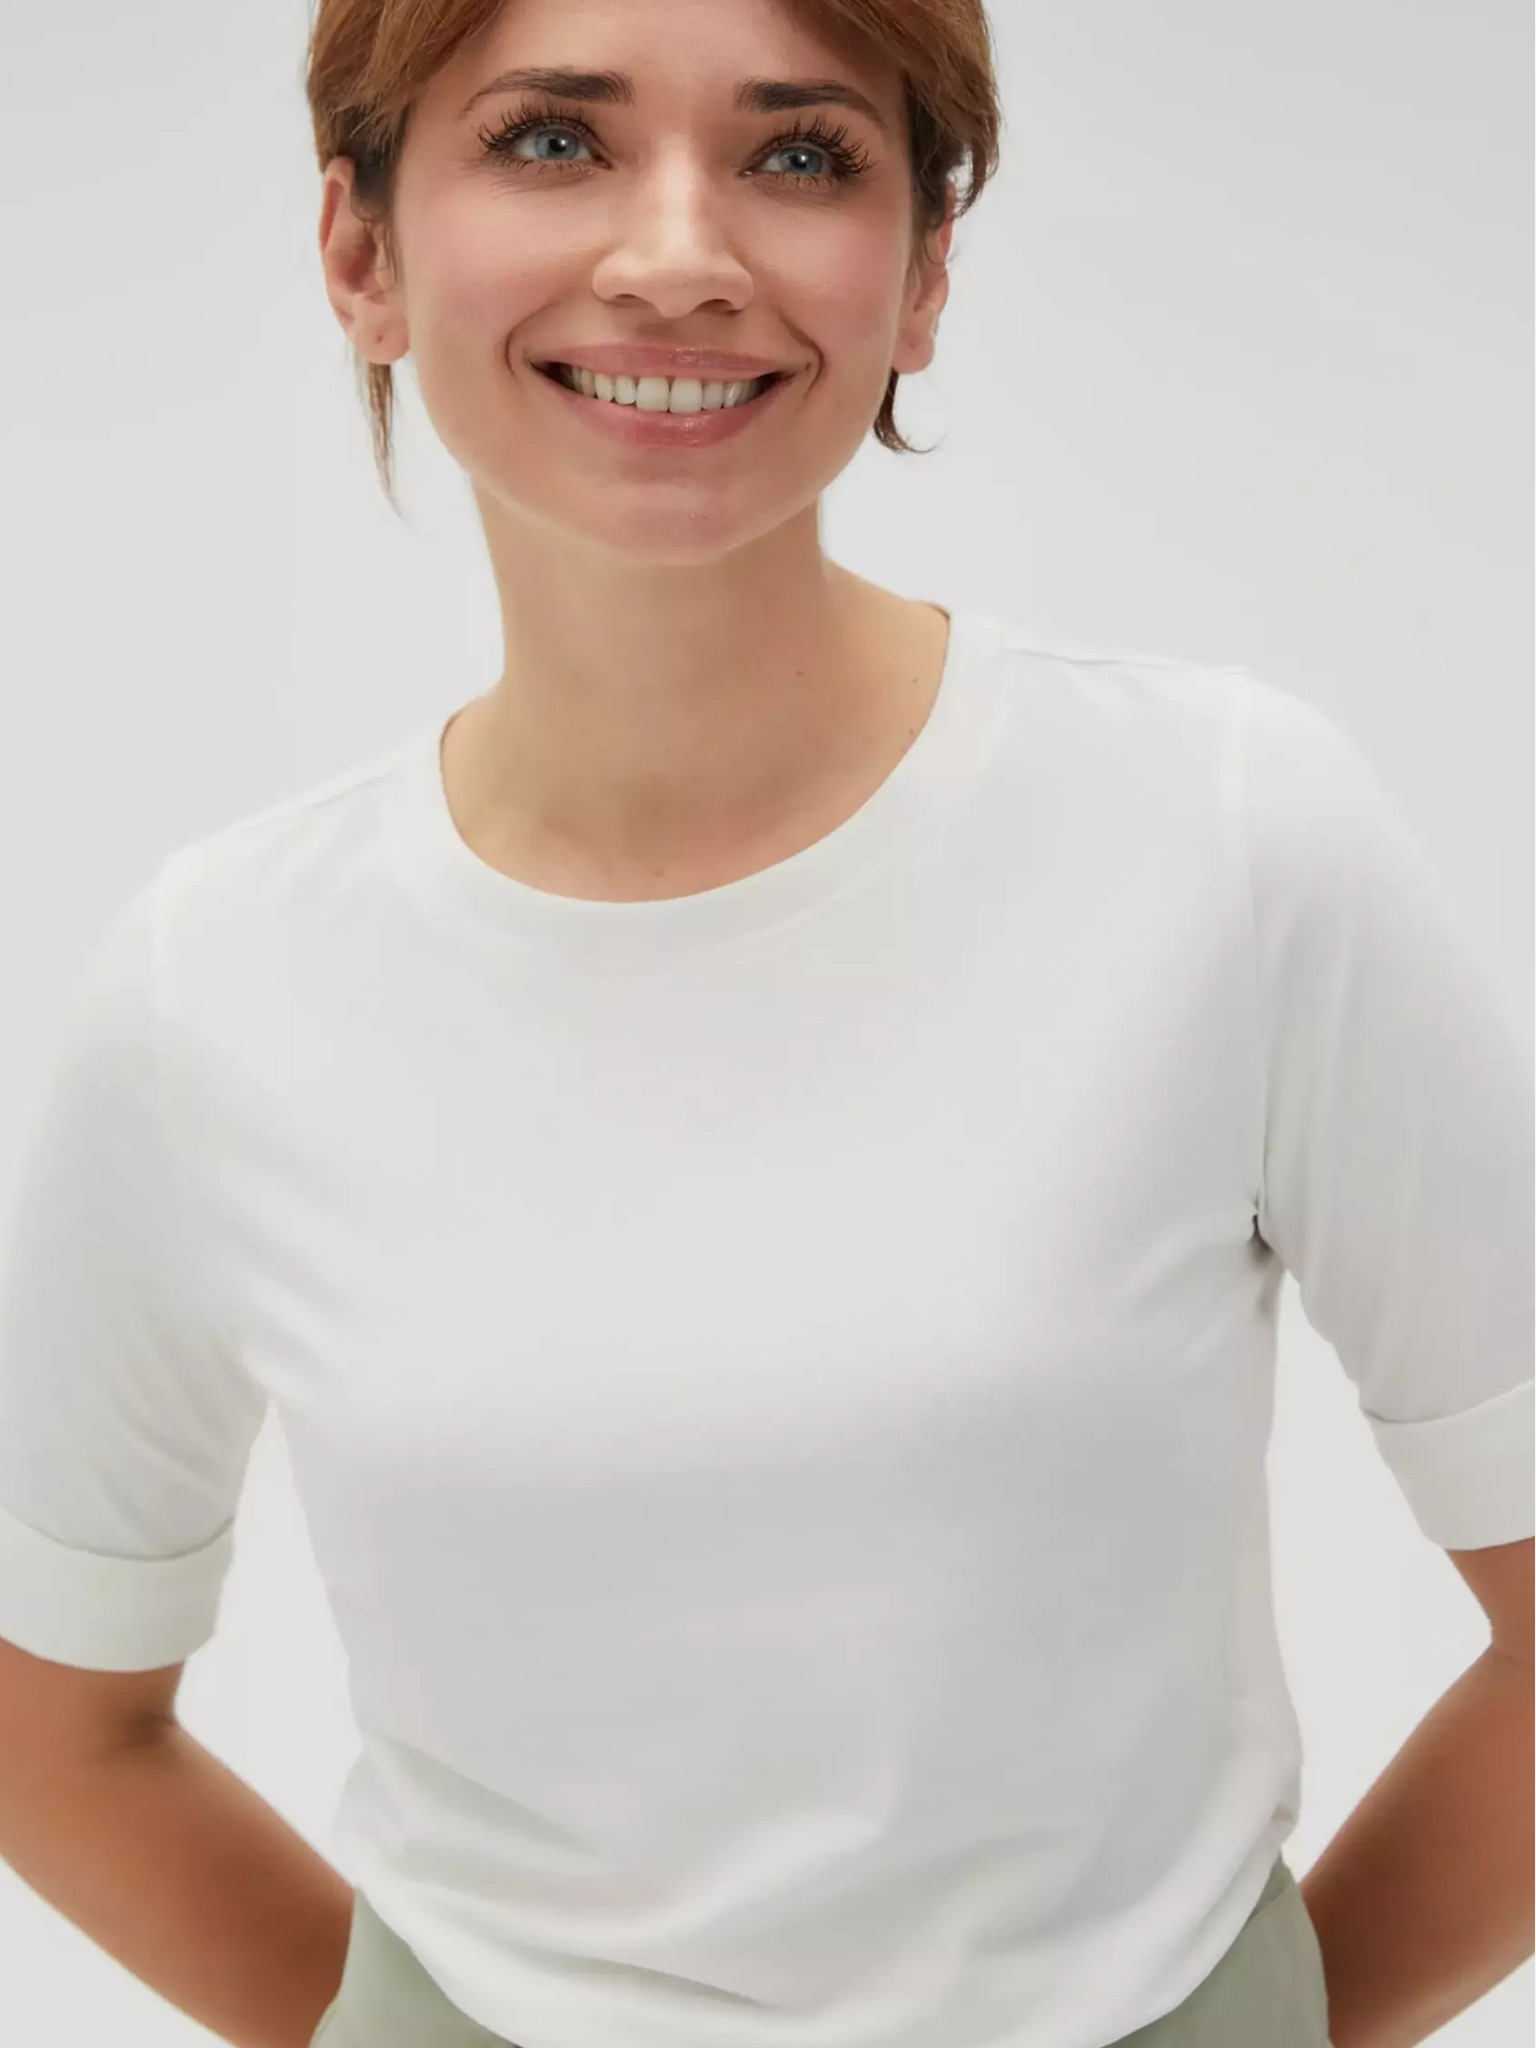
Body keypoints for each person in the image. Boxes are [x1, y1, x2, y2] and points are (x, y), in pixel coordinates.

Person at [0, 2, 1529, 2046]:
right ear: (362, 251)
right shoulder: (212, 986)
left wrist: (1265, 2027)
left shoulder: (1230, 838)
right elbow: (53, 1729)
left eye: (801, 156)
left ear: (926, 271)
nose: (677, 254)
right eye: (552, 140)